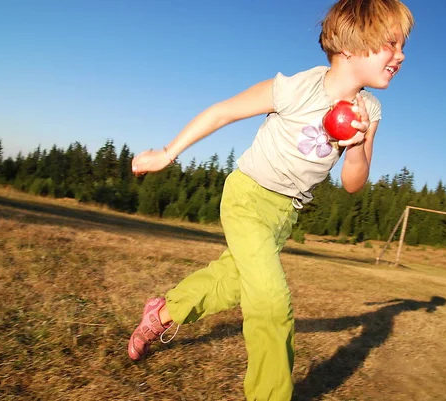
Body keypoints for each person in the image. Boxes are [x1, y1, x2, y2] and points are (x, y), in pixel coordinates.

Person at [128, 0, 414, 399]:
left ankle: (160, 313)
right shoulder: (297, 88)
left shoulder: (369, 109)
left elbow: (353, 184)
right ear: (351, 46)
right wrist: (167, 153)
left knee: (231, 284)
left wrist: (357, 147)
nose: (401, 56)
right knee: (271, 303)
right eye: (391, 44)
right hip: (247, 196)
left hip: (284, 214)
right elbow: (224, 111)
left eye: (402, 46)